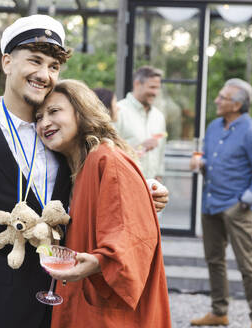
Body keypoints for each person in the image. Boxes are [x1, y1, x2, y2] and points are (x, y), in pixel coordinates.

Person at [0, 15, 168, 328]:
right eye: (35, 61)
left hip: (67, 293)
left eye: (53, 67)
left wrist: (144, 189)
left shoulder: (63, 130)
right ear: (7, 62)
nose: (44, 74)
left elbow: (105, 174)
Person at [35, 79, 171, 328]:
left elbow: (134, 234)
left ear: (81, 111)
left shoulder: (107, 160)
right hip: (81, 299)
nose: (44, 123)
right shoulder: (73, 168)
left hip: (108, 310)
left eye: (54, 111)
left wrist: (101, 261)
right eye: (38, 117)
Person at [189, 78, 252, 328]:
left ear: (236, 105)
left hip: (236, 208)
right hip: (210, 203)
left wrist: (242, 202)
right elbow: (211, 161)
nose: (217, 100)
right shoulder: (214, 126)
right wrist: (201, 165)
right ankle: (219, 311)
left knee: (247, 264)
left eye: (222, 97)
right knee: (214, 260)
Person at [115, 66, 166, 181]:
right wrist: (140, 147)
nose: (155, 92)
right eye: (152, 87)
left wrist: (159, 176)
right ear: (137, 84)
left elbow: (160, 152)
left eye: (158, 88)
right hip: (125, 183)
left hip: (151, 187)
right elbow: (109, 152)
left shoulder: (159, 117)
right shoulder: (118, 111)